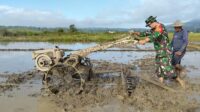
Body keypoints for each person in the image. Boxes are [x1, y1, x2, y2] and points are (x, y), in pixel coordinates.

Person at [132, 16, 185, 88]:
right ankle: (161, 84)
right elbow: (146, 33)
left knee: (167, 69)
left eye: (149, 25)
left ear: (153, 22)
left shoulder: (160, 27)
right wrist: (136, 33)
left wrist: (144, 40)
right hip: (159, 52)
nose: (149, 26)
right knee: (159, 69)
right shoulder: (153, 29)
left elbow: (154, 36)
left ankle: (181, 81)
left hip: (165, 52)